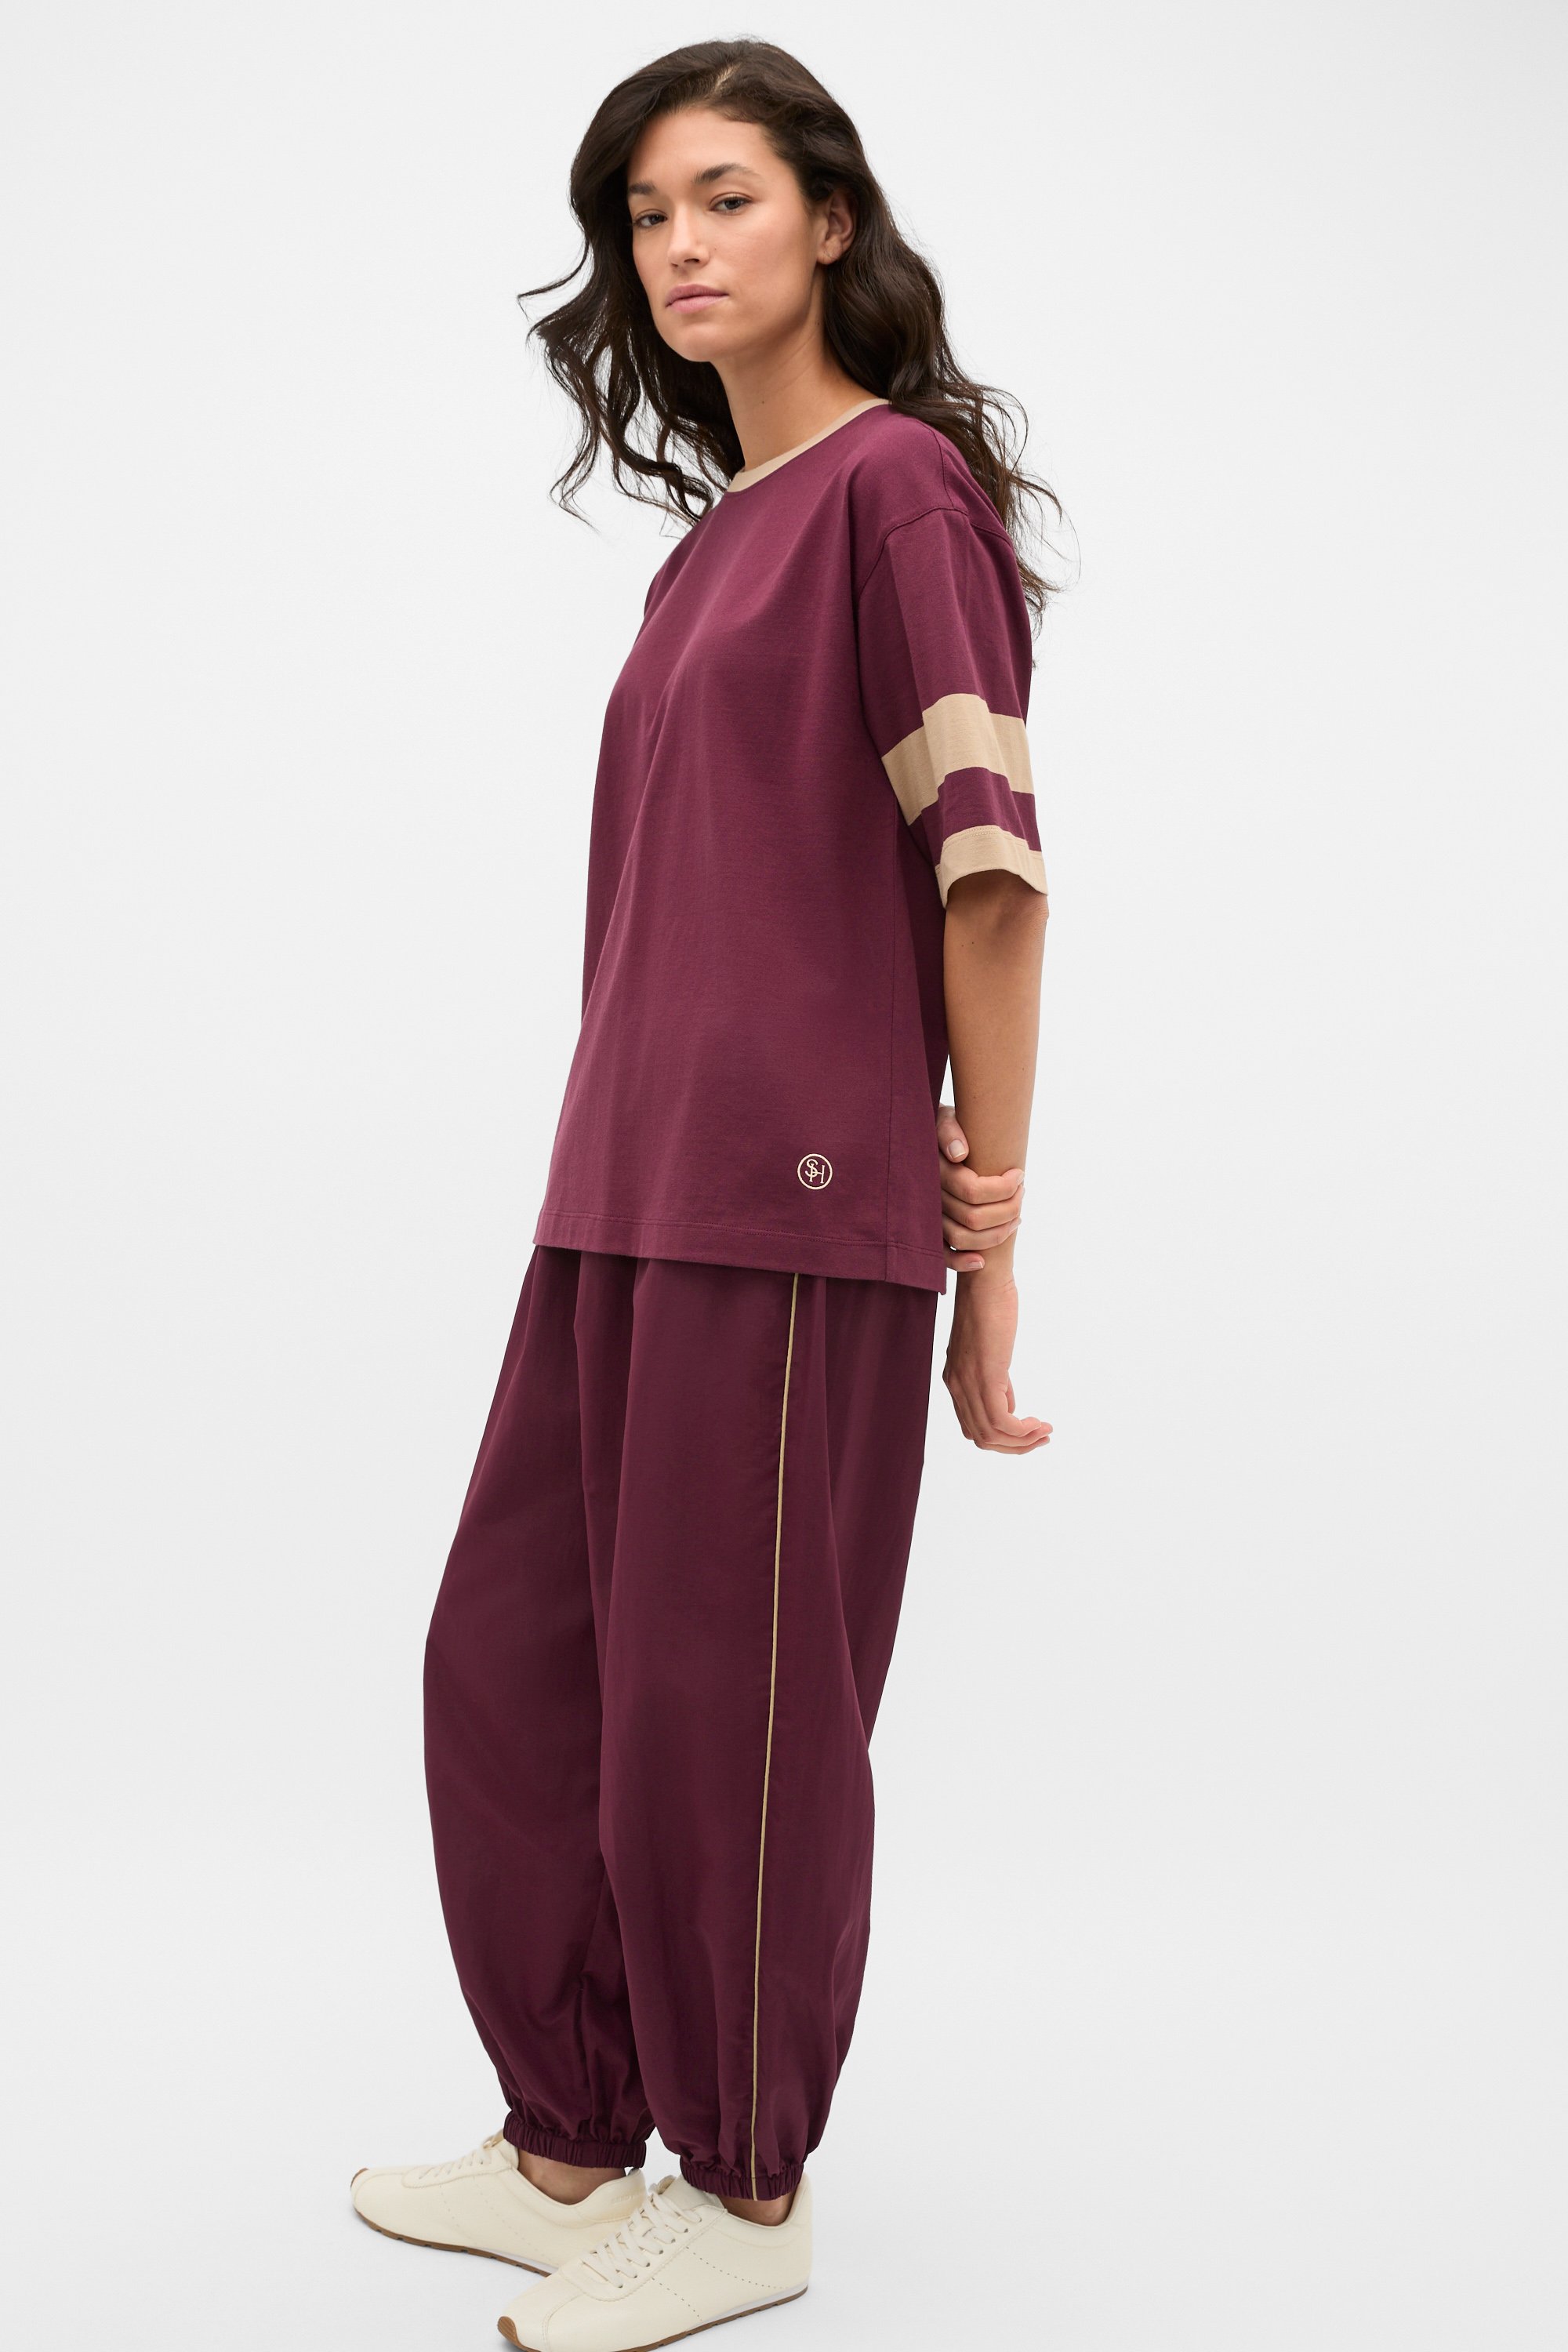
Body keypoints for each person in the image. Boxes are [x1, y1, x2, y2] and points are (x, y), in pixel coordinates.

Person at [350, 38, 1061, 2350]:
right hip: (624, 1183)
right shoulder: (716, 544)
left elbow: (991, 883)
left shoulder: (899, 498)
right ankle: (572, 2134)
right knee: (517, 1657)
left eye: (725, 196)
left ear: (832, 221)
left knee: (720, 1709)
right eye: (646, 214)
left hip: (791, 1192)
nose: (678, 246)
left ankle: (746, 2188)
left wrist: (986, 1246)